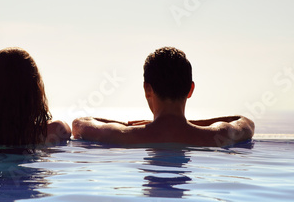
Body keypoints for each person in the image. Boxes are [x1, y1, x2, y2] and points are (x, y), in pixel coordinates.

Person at [72, 47, 254, 147]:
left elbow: (80, 124)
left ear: (147, 89)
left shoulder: (121, 135)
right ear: (190, 90)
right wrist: (191, 125)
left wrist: (129, 125)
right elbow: (245, 122)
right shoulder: (217, 135)